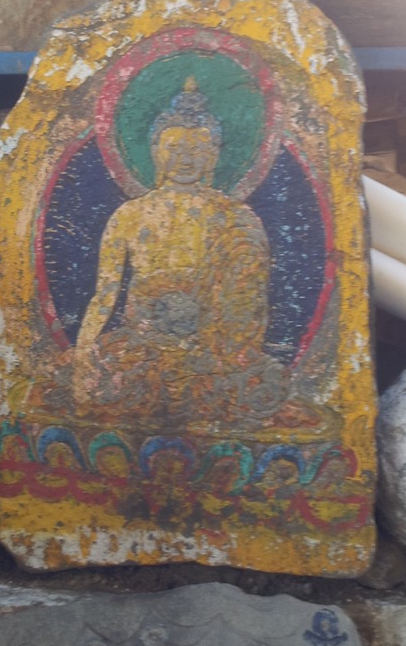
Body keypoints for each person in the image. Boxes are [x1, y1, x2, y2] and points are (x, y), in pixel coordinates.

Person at [71, 78, 288, 425]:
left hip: (214, 352)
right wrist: (83, 353)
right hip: (142, 345)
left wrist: (226, 346)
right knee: (109, 377)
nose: (184, 159)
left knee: (255, 387)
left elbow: (251, 303)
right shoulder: (129, 216)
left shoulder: (236, 218)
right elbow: (104, 296)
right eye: (174, 148)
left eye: (196, 150)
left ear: (213, 155)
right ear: (155, 151)